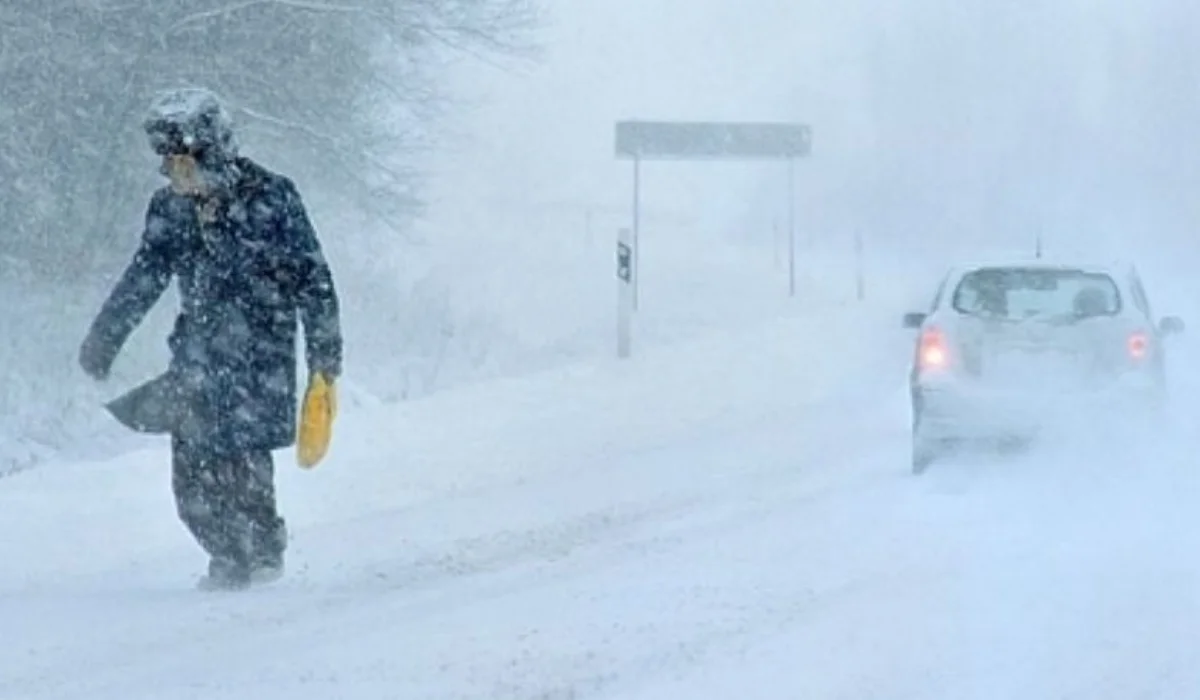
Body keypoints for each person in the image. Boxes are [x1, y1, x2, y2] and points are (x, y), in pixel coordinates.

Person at [78, 87, 343, 590]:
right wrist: (105, 337)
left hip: (260, 356)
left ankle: (262, 551)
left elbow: (315, 281)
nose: (177, 173)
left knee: (242, 464)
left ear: (215, 152)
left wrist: (324, 361)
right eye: (169, 163)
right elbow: (144, 275)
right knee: (191, 479)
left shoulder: (273, 198)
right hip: (196, 358)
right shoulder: (169, 210)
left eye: (186, 161)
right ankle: (226, 555)